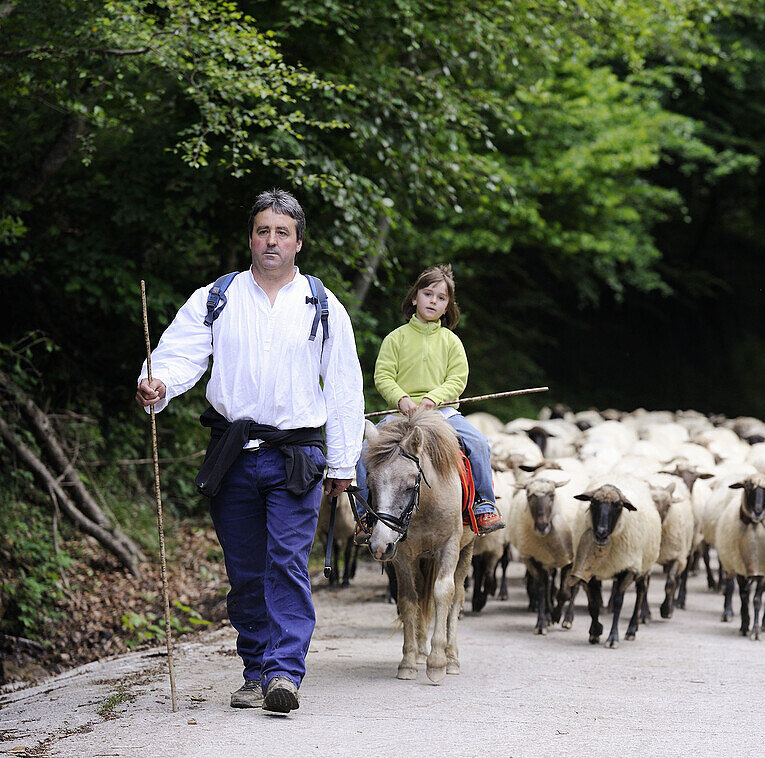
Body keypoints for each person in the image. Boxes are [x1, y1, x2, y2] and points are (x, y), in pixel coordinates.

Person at [135, 189, 364, 714]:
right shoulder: (216, 297)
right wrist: (158, 384)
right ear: (251, 239)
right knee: (245, 571)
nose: (272, 241)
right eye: (263, 231)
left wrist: (343, 463)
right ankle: (255, 669)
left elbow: (345, 388)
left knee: (286, 562)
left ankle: (284, 673)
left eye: (282, 233)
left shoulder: (323, 304)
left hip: (297, 457)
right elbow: (177, 356)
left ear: (299, 243)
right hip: (232, 453)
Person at [369, 263, 505, 534]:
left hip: (442, 413)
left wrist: (434, 398)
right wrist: (401, 399)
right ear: (414, 297)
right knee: (364, 451)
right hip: (400, 415)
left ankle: (484, 506)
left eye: (441, 298)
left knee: (479, 443)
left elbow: (457, 379)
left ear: (448, 307)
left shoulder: (451, 341)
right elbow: (383, 376)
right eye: (428, 294)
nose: (433, 301)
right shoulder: (395, 339)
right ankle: (366, 516)